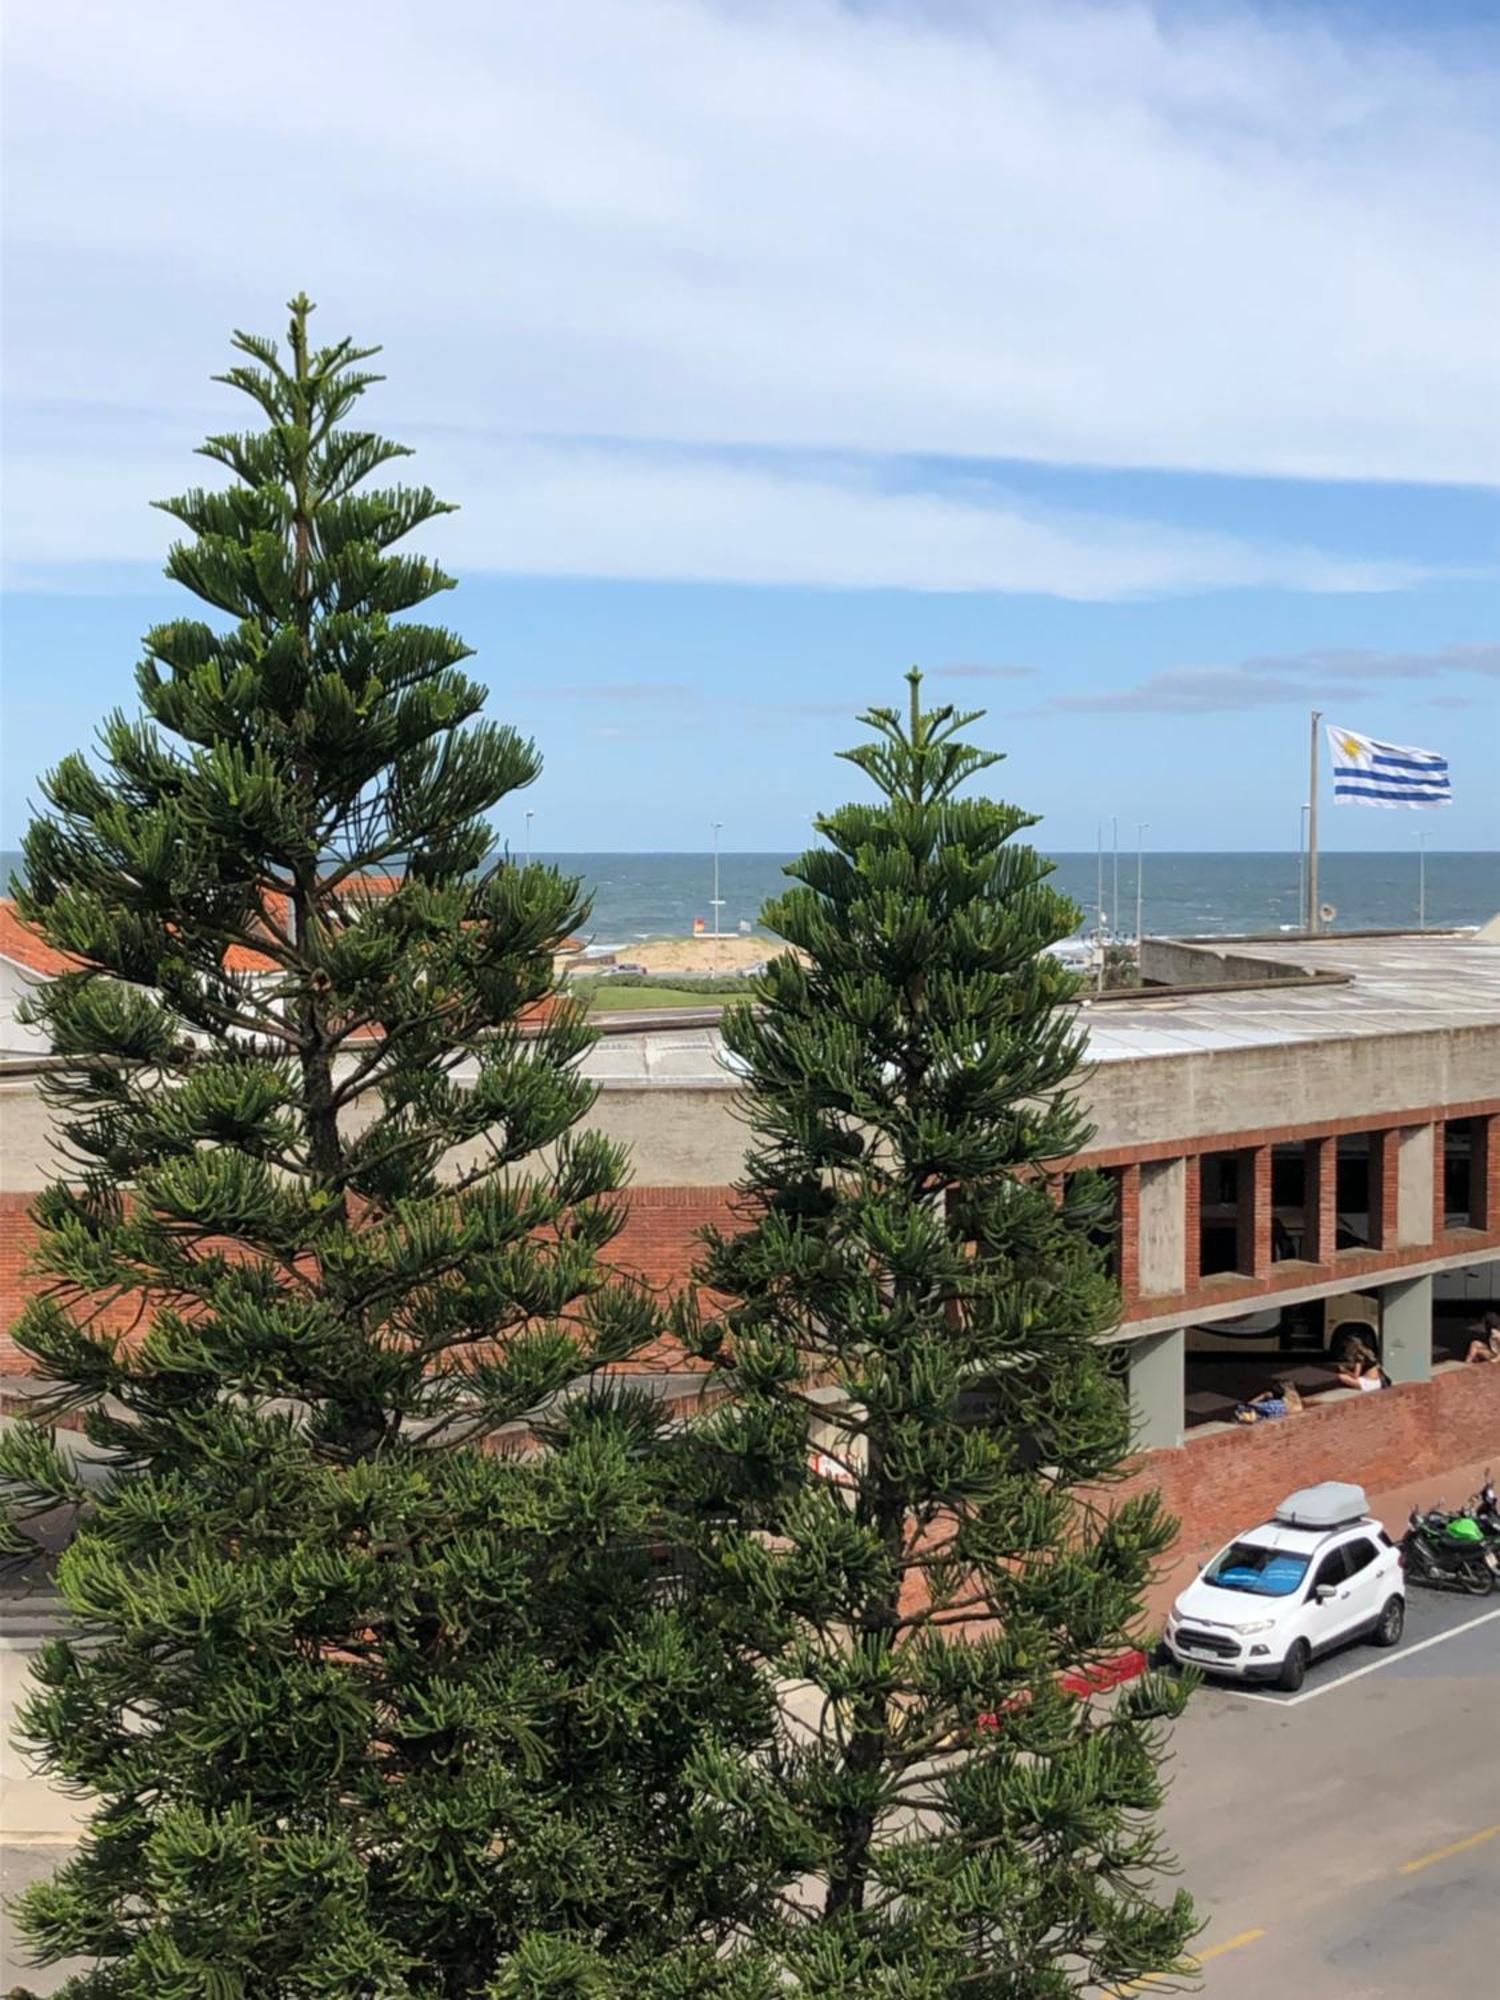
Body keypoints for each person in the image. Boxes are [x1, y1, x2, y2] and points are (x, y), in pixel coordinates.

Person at [1234, 1379, 1303, 1424]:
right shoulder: (1294, 1398)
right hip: (1285, 1413)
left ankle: (1245, 1418)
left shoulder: (1276, 1404)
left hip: (1276, 1413)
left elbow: (1251, 1405)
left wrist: (1262, 1396)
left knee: (1244, 1408)